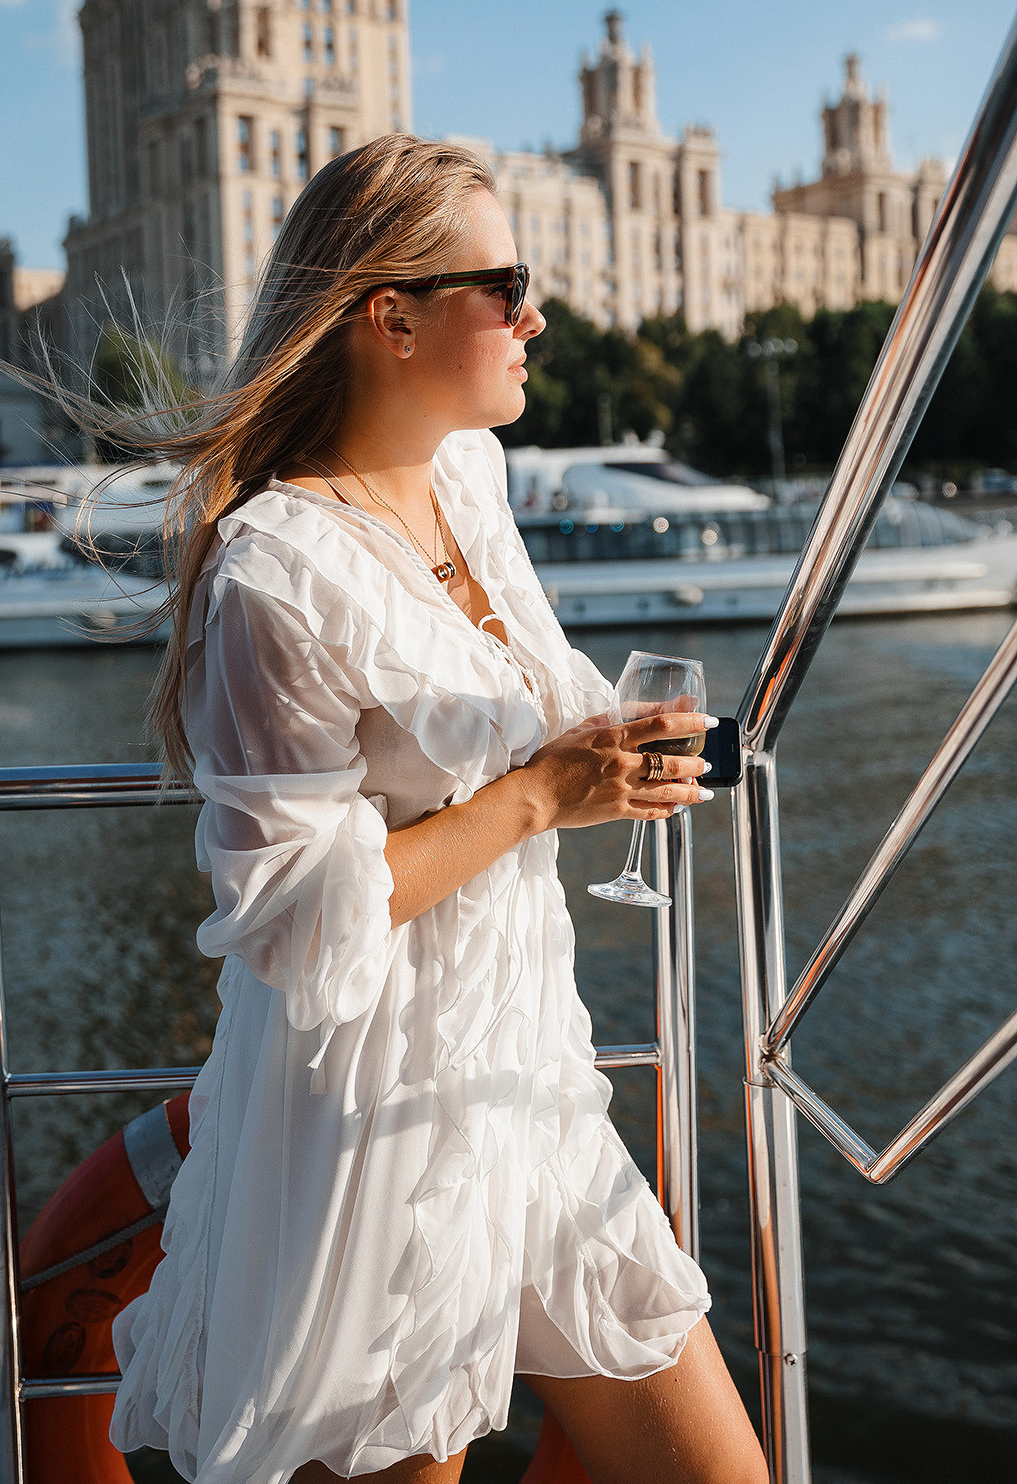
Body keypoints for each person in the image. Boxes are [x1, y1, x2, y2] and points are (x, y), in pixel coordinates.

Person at [107, 136, 767, 1484]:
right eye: (508, 286)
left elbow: (536, 702)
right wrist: (538, 798)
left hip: (527, 1077)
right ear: (390, 318)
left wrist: (618, 758)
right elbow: (292, 922)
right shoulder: (275, 573)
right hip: (370, 1133)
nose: (538, 316)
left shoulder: (471, 480)